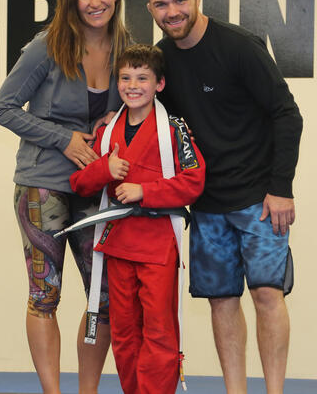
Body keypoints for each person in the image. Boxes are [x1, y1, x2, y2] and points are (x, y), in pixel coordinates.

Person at [145, 0, 303, 394]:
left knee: (268, 295)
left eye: (179, 0)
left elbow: (287, 115)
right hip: (207, 204)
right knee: (221, 300)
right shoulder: (161, 60)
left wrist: (281, 189)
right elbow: (157, 119)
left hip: (259, 199)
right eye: (161, 4)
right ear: (150, 8)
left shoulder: (239, 46)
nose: (172, 11)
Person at [0, 0, 130, 394]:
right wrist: (64, 138)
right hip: (42, 185)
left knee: (102, 301)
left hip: (96, 188)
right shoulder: (45, 47)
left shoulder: (127, 46)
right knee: (44, 295)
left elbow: (141, 104)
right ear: (69, 1)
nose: (94, 2)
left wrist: (119, 116)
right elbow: (4, 108)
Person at [70, 44, 206, 394]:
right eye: (126, 77)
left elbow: (194, 181)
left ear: (159, 84)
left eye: (142, 78)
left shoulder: (174, 128)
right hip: (117, 246)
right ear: (117, 83)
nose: (133, 85)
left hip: (157, 246)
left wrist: (145, 191)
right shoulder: (107, 132)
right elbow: (79, 183)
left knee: (158, 331)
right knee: (125, 334)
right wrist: (105, 168)